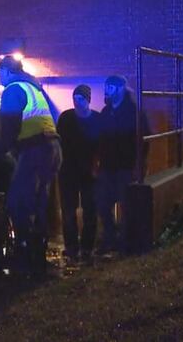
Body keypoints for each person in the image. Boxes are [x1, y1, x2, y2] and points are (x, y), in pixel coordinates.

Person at [0, 55, 62, 276]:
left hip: (35, 149)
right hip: (51, 147)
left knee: (18, 202)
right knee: (39, 201)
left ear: (8, 71)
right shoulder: (34, 88)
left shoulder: (13, 90)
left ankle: (23, 253)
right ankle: (37, 253)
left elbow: (8, 129)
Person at [96, 74, 150, 255]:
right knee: (103, 204)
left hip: (125, 165)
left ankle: (124, 243)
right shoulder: (106, 112)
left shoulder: (134, 112)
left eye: (110, 87)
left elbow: (144, 138)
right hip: (107, 166)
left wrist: (139, 163)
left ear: (120, 88)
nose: (106, 91)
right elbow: (100, 138)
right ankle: (110, 237)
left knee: (126, 205)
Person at [56, 84, 100, 262]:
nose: (76, 101)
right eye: (75, 98)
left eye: (80, 98)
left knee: (90, 210)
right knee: (68, 211)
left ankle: (87, 247)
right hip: (68, 170)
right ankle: (72, 248)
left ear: (87, 100)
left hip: (89, 172)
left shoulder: (95, 119)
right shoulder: (66, 117)